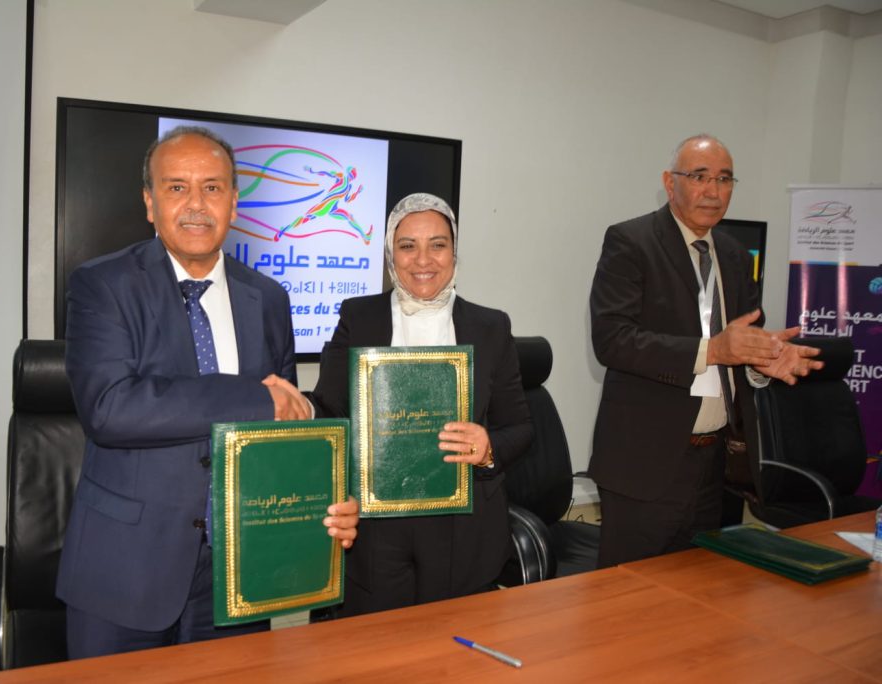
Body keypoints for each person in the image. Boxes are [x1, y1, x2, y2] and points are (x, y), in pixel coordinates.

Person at [56, 126, 359, 659]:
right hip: (126, 569)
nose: (196, 204)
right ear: (149, 202)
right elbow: (110, 409)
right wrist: (256, 400)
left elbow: (283, 437)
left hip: (239, 571)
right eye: (177, 187)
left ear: (234, 203)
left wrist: (329, 498)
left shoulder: (268, 297)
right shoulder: (103, 285)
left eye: (212, 188)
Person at [588, 134, 824, 568]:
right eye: (699, 177)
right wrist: (712, 350)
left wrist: (766, 360)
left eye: (724, 179)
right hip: (644, 465)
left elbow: (741, 348)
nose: (713, 191)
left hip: (717, 464)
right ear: (670, 182)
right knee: (631, 597)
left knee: (702, 595)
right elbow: (612, 340)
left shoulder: (735, 256)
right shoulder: (631, 242)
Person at [309, 192, 533, 616]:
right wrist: (300, 410)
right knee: (379, 647)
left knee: (454, 645)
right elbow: (330, 412)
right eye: (408, 245)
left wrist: (488, 448)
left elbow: (520, 427)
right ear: (390, 254)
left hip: (463, 528)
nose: (423, 260)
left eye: (438, 244)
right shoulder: (359, 317)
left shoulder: (490, 326)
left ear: (454, 251)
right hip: (375, 531)